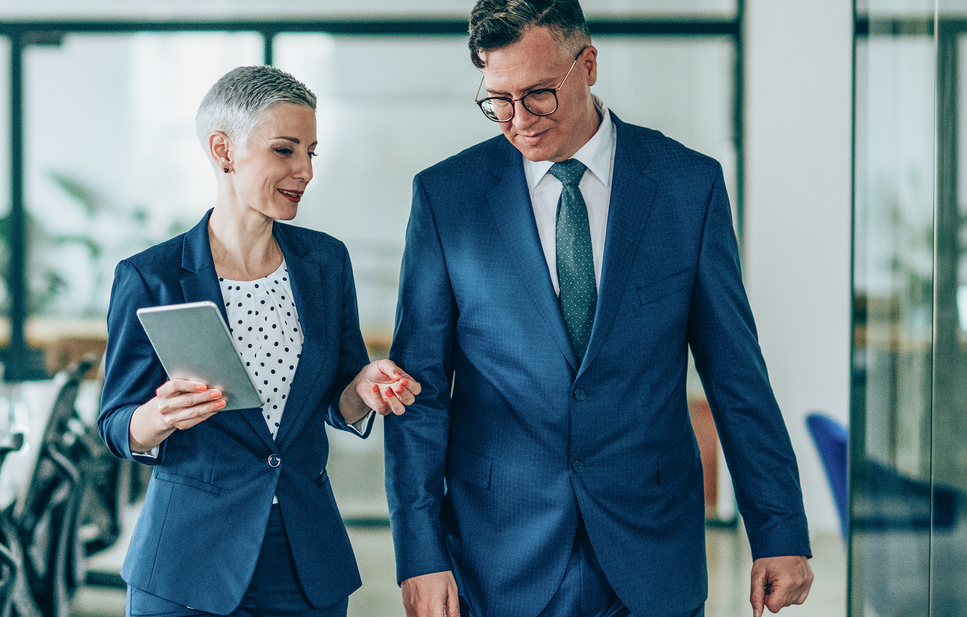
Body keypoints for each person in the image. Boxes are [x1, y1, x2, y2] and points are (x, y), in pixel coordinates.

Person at [384, 2, 814, 616]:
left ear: (587, 65)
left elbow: (735, 373)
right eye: (498, 100)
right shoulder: (445, 197)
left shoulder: (687, 186)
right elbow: (419, 391)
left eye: (537, 95)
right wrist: (419, 552)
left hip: (652, 547)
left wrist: (779, 531)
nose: (517, 122)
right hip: (498, 553)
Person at [98, 65, 422, 617]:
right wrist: (160, 416)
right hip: (187, 562)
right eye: (284, 150)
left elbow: (338, 401)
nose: (305, 170)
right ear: (223, 150)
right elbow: (115, 423)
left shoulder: (325, 262)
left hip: (304, 559)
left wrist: (364, 385)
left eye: (311, 152)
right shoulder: (151, 276)